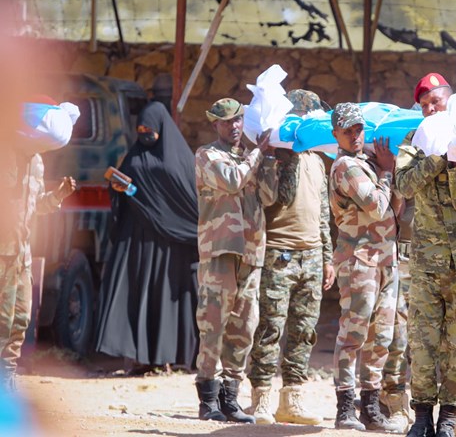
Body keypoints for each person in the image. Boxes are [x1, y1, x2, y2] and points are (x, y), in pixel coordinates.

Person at [396, 73, 456, 437]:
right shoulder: (415, 140)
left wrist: (455, 159)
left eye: (436, 101)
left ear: (451, 100)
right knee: (422, 339)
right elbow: (404, 184)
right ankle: (421, 414)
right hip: (426, 260)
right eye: (424, 105)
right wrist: (436, 157)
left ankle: (450, 415)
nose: (431, 109)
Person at [247, 89, 335, 425]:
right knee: (270, 328)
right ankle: (261, 399)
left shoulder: (317, 160)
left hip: (311, 256)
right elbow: (272, 199)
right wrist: (276, 157)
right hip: (278, 253)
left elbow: (323, 214)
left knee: (304, 331)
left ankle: (292, 399)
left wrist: (327, 258)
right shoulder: (277, 158)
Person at [95, 101, 200, 372]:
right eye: (140, 130)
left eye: (149, 130)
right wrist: (119, 188)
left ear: (161, 128)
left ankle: (170, 357)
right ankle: (140, 359)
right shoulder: (134, 156)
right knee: (138, 296)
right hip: (139, 240)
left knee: (167, 300)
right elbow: (126, 193)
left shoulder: (181, 160)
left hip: (172, 245)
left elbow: (189, 200)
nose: (144, 135)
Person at [193, 98, 278, 423]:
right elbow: (232, 181)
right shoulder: (207, 155)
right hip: (220, 250)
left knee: (244, 327)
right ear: (215, 124)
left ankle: (230, 399)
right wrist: (258, 155)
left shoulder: (250, 156)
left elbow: (268, 196)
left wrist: (270, 158)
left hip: (251, 251)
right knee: (213, 324)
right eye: (227, 121)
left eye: (238, 120)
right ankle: (208, 400)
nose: (235, 126)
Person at [329, 103, 400, 433]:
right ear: (336, 135)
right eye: (347, 131)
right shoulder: (345, 166)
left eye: (359, 129)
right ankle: (345, 407)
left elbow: (395, 207)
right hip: (359, 260)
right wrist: (386, 172)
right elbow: (375, 206)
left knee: (380, 337)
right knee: (353, 335)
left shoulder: (368, 162)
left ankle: (370, 407)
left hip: (385, 259)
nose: (355, 135)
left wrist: (388, 170)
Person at [1, 137, 76, 391]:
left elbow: (36, 206)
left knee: (20, 319)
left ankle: (6, 380)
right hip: (2, 255)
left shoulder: (37, 163)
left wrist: (57, 195)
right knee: (2, 322)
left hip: (22, 256)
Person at [379, 194, 414, 434]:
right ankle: (395, 405)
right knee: (397, 336)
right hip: (402, 257)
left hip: (441, 259)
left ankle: (450, 409)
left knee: (439, 341)